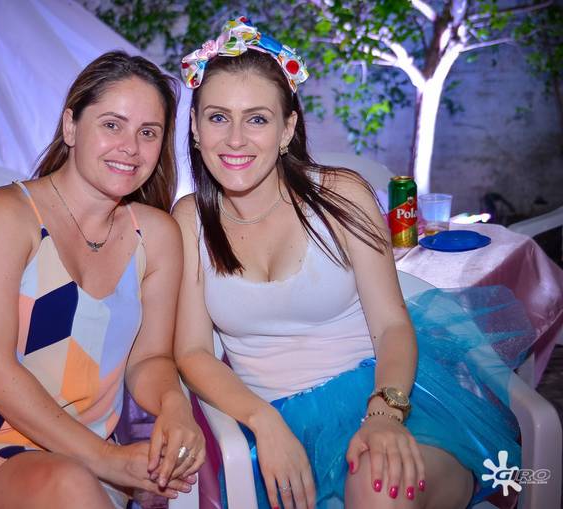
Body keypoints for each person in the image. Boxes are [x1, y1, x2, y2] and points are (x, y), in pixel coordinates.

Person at [173, 17, 533, 509]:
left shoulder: (340, 196)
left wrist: (385, 416)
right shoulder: (189, 220)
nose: (236, 139)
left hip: (383, 395)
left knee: (380, 489)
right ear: (195, 129)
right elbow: (193, 352)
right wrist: (263, 421)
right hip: (274, 424)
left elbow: (391, 325)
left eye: (257, 119)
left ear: (287, 129)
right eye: (218, 118)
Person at [0, 51, 205, 509]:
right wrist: (108, 459)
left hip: (90, 462)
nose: (131, 147)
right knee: (67, 484)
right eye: (112, 125)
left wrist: (175, 405)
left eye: (148, 132)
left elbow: (149, 358)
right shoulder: (4, 215)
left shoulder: (157, 236)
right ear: (71, 126)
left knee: (72, 483)